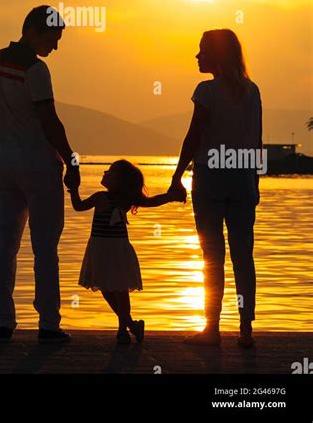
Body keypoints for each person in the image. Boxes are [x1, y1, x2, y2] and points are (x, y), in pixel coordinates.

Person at [0, 5, 80, 343]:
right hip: (39, 166)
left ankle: (3, 321)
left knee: (5, 244)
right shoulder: (35, 69)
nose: (55, 46)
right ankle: (48, 324)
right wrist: (71, 160)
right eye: (52, 37)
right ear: (32, 30)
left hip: (6, 166)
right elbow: (49, 122)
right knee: (45, 247)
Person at [168, 29, 262, 348]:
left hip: (210, 178)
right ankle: (245, 330)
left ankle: (212, 328)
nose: (197, 56)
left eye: (202, 51)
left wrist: (176, 176)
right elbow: (255, 141)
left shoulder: (206, 91)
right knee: (242, 257)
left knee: (212, 255)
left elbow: (194, 136)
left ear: (217, 56)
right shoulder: (252, 92)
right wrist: (255, 182)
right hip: (242, 179)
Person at [69, 159, 184, 344]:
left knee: (121, 289)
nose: (105, 173)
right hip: (99, 248)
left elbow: (151, 202)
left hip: (118, 249)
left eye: (110, 172)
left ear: (120, 181)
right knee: (105, 288)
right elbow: (78, 206)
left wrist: (171, 196)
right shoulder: (100, 197)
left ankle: (123, 329)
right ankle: (131, 324)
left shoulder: (125, 199)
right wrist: (73, 189)